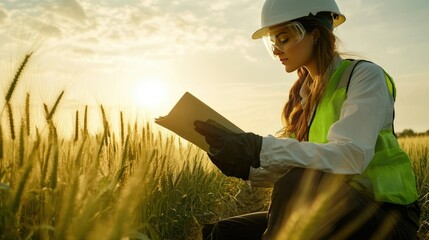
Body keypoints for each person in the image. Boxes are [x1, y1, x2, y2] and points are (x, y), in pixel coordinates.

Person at [194, 0, 421, 239]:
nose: (275, 50)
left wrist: (259, 147)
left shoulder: (364, 76)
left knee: (299, 182)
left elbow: (351, 156)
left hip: (386, 214)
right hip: (334, 207)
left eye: (283, 38)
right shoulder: (304, 98)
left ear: (314, 34)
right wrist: (246, 167)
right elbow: (294, 165)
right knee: (224, 233)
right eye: (272, 41)